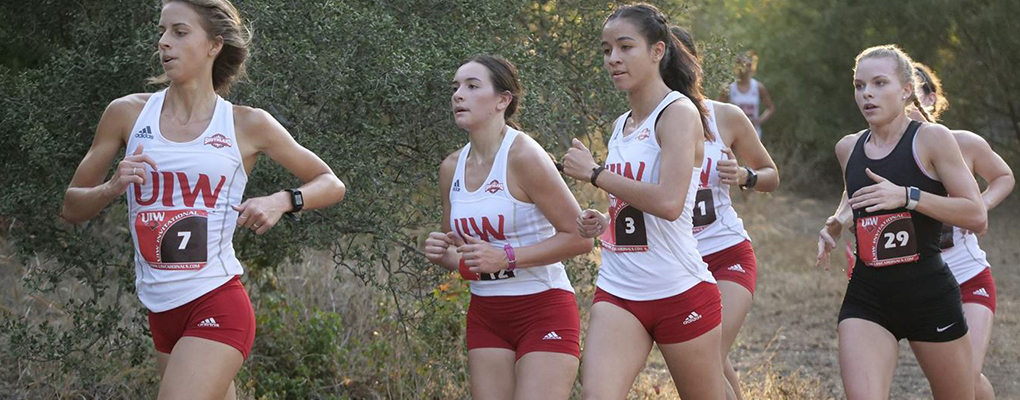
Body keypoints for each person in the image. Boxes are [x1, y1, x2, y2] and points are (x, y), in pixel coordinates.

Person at [59, 1, 346, 398]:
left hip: (217, 301)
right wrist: (111, 187)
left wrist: (283, 200)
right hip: (161, 311)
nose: (164, 43)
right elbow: (71, 207)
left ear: (214, 45)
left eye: (179, 32)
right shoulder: (126, 114)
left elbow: (330, 182)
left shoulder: (246, 123)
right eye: (161, 32)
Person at [822, 62, 1014, 400]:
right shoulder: (848, 147)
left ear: (910, 91)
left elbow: (987, 199)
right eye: (859, 85)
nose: (867, 92)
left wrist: (912, 198)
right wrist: (838, 221)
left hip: (949, 281)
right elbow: (854, 195)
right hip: (870, 295)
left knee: (967, 383)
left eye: (880, 83)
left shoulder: (946, 140)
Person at [561, 4, 725, 399]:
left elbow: (670, 203)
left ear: (657, 51)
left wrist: (596, 173)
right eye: (606, 50)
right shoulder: (621, 125)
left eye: (625, 47)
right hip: (619, 290)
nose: (613, 58)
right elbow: (636, 205)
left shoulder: (679, 113)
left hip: (679, 289)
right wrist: (605, 219)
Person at [422, 55, 593, 400]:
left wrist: (506, 257)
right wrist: (445, 256)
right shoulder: (450, 168)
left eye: (472, 86)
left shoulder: (524, 156)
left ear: (503, 100)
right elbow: (467, 258)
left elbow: (579, 239)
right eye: (455, 87)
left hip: (542, 308)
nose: (458, 95)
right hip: (486, 313)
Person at [672, 25, 780, 400]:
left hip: (726, 253)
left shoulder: (726, 115)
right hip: (679, 264)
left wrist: (745, 176)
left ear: (692, 64)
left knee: (705, 358)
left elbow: (772, 175)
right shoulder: (642, 125)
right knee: (710, 365)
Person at [718, 50, 775, 138]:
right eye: (742, 65)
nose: (745, 68)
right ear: (737, 67)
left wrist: (759, 120)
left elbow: (770, 108)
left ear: (752, 66)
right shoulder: (729, 88)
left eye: (748, 65)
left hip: (754, 133)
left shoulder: (758, 87)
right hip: (735, 133)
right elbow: (717, 109)